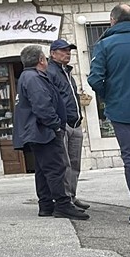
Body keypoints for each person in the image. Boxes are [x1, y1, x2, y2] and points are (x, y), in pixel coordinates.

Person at [88, 3, 130, 227]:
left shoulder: (105, 45)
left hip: (122, 111)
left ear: (112, 20)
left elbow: (95, 79)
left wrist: (110, 96)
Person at [13, 44, 87, 220]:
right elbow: (42, 105)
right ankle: (62, 205)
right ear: (41, 60)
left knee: (42, 169)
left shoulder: (29, 76)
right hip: (43, 131)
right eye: (45, 58)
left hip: (37, 131)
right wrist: (56, 125)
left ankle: (46, 205)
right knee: (56, 167)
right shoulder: (34, 78)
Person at [46, 38, 90, 212]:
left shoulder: (67, 72)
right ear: (53, 53)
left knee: (75, 163)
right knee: (64, 164)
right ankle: (64, 200)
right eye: (63, 50)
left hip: (75, 123)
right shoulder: (51, 72)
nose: (67, 53)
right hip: (63, 125)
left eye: (69, 50)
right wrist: (57, 122)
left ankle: (71, 195)